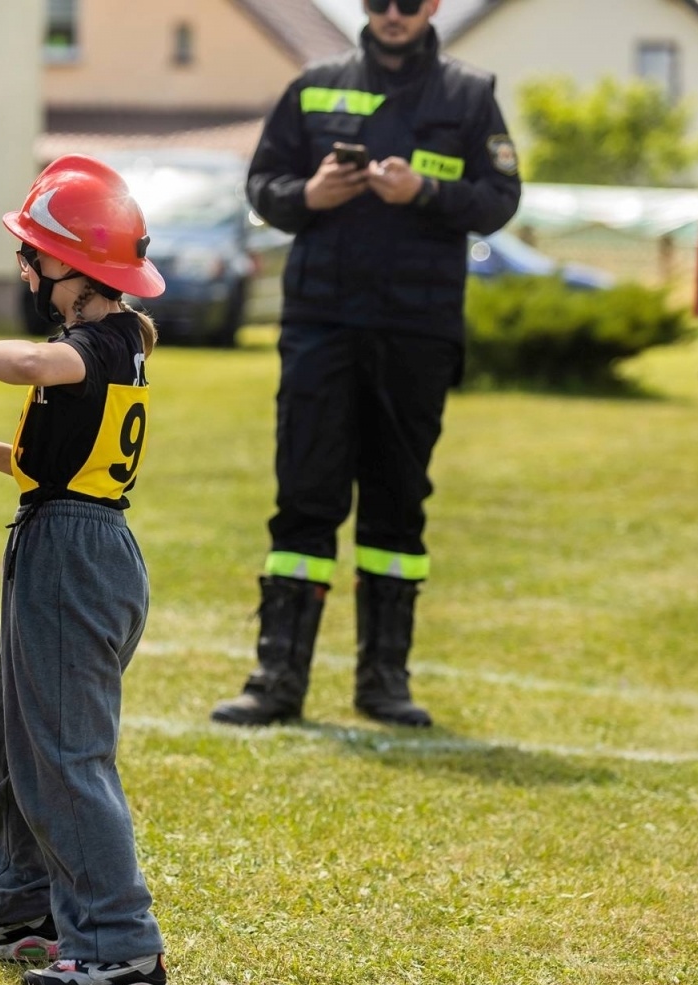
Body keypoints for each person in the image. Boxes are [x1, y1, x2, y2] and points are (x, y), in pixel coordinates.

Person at [211, 0, 520, 729]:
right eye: (377, 1)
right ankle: (276, 679)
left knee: (397, 501)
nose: (391, 14)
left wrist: (426, 192)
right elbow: (263, 187)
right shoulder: (313, 84)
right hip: (321, 327)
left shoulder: (469, 94)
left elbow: (500, 198)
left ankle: (384, 682)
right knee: (305, 498)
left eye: (406, 2)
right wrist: (308, 195)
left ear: (432, 6)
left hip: (416, 330)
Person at [0, 155, 169, 985]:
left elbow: (32, 366)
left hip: (76, 557)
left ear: (73, 268)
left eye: (33, 253)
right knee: (11, 740)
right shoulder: (101, 345)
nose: (25, 268)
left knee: (64, 755)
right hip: (66, 535)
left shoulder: (97, 341)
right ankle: (28, 908)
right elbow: (69, 460)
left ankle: (119, 944)